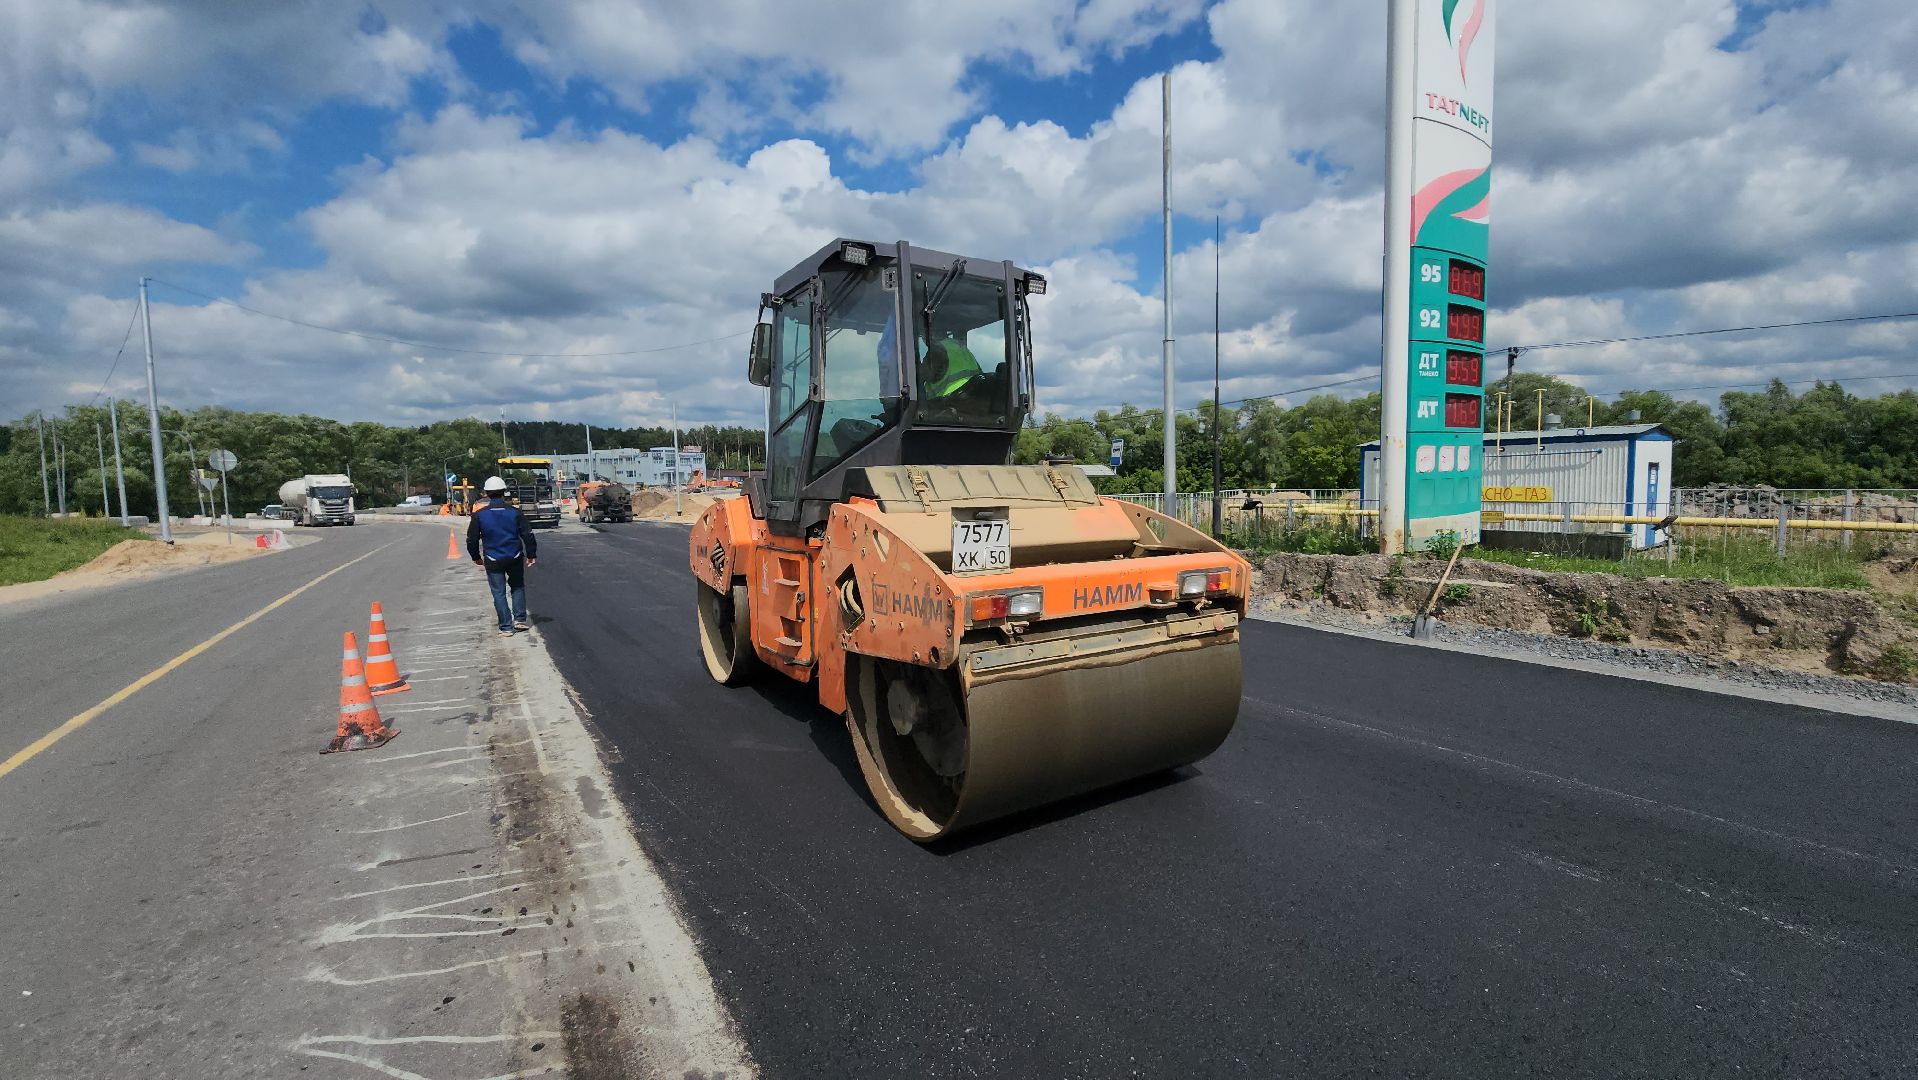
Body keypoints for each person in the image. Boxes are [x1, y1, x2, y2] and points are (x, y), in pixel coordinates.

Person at [465, 475, 537, 636]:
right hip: (515, 556)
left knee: (498, 592)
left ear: (486, 493)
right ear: (504, 492)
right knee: (517, 586)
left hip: (492, 558)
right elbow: (527, 534)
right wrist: (531, 553)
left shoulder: (479, 515)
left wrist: (475, 557)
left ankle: (506, 627)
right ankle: (520, 620)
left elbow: (472, 539)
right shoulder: (515, 512)